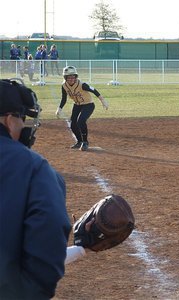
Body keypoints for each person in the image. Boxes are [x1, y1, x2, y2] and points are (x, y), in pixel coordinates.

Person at [0, 78, 71, 298]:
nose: (24, 126)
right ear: (9, 120)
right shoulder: (33, 167)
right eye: (22, 119)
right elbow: (45, 258)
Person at [56, 66, 109, 151]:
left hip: (88, 105)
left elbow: (94, 90)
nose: (71, 79)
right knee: (73, 123)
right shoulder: (64, 86)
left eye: (73, 77)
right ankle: (79, 141)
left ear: (76, 77)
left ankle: (85, 142)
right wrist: (59, 108)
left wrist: (103, 101)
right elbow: (64, 98)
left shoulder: (82, 84)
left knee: (81, 121)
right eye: (69, 77)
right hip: (77, 105)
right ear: (65, 78)